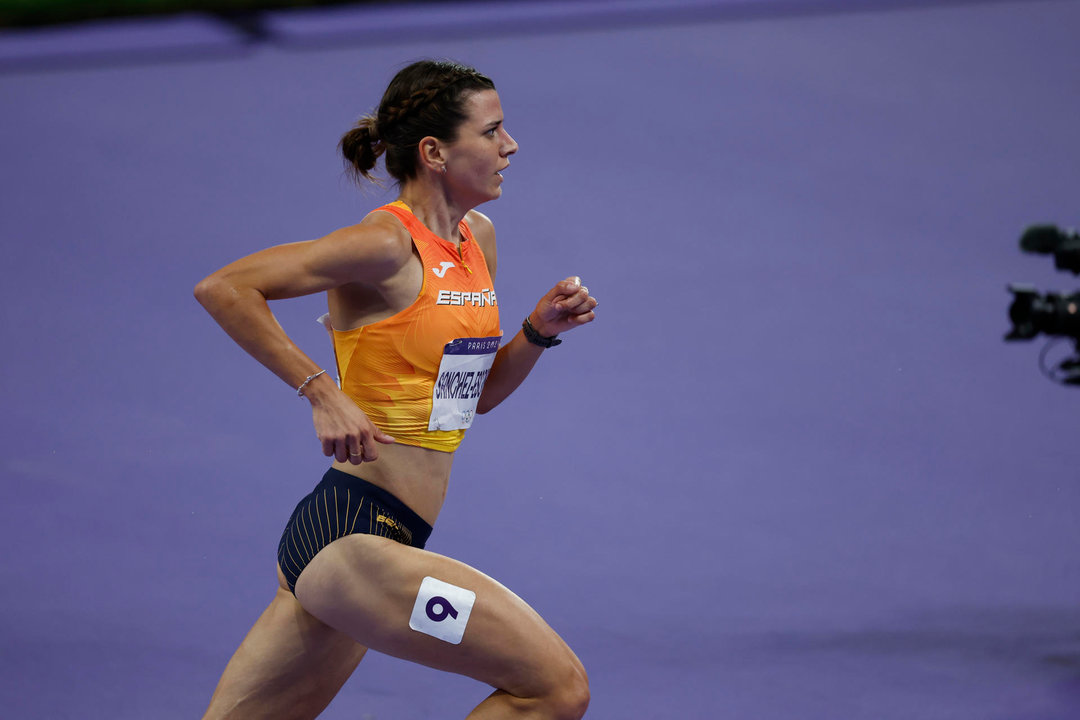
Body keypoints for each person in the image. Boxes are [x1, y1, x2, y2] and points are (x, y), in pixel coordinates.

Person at [194, 59, 597, 720]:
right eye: (493, 131)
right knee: (555, 688)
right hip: (353, 542)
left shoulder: (476, 241)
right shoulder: (384, 244)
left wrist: (535, 331)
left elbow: (475, 396)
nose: (510, 145)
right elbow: (225, 287)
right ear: (435, 151)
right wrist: (322, 391)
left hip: (372, 543)